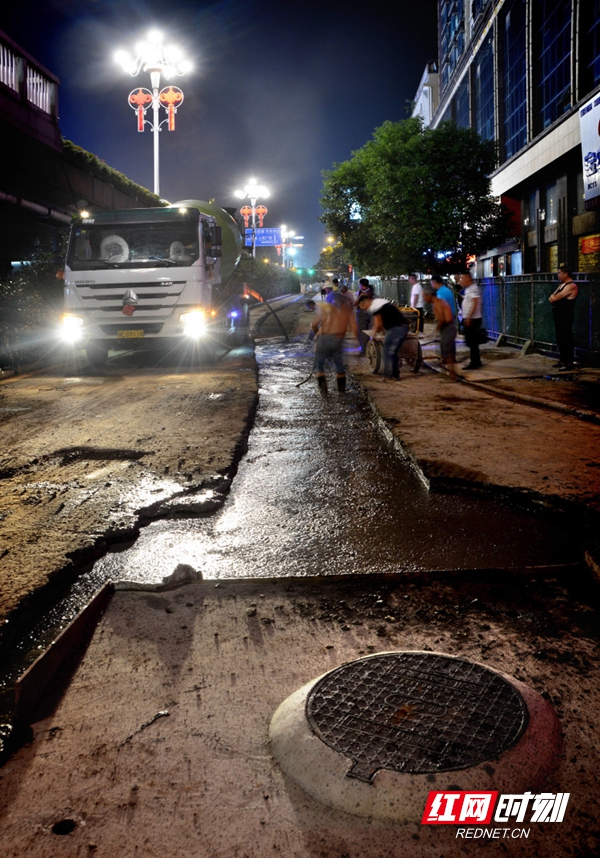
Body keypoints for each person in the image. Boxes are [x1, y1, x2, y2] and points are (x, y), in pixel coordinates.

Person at [307, 291, 358, 395]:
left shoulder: (325, 309)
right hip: (338, 339)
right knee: (339, 366)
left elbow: (314, 324)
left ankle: (324, 393)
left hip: (324, 338)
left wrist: (318, 334)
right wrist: (356, 340)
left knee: (320, 365)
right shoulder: (347, 310)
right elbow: (354, 327)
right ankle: (341, 392)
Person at [357, 295, 409, 381]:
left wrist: (372, 334)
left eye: (363, 307)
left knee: (387, 351)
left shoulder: (374, 306)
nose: (364, 309)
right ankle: (395, 375)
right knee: (393, 352)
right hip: (402, 327)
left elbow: (378, 324)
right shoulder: (380, 302)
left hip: (396, 329)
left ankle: (387, 376)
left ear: (366, 302)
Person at [422, 285, 457, 381]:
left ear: (429, 295)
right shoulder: (438, 303)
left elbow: (446, 319)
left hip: (448, 329)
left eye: (424, 296)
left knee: (448, 353)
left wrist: (436, 329)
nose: (424, 299)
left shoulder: (438, 304)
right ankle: (449, 374)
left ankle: (452, 376)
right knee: (446, 353)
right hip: (448, 328)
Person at [549, 266, 578, 370]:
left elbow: (555, 297)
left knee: (566, 338)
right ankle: (562, 360)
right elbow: (551, 298)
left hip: (566, 315)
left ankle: (568, 362)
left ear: (566, 273)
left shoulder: (571, 286)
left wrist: (554, 297)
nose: (558, 275)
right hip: (559, 315)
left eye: (559, 273)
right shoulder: (563, 285)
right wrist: (554, 297)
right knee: (560, 338)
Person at [457, 269, 483, 370]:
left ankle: (475, 362)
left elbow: (475, 302)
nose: (461, 280)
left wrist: (469, 317)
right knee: (471, 341)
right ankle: (476, 361)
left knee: (472, 342)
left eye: (462, 278)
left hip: (473, 319)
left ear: (468, 278)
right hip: (470, 318)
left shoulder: (473, 288)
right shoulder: (469, 289)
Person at [354, 278, 374, 355]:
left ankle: (364, 350)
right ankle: (367, 348)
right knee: (367, 331)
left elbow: (355, 304)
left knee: (362, 332)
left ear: (361, 285)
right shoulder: (370, 291)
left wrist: (360, 297)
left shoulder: (364, 293)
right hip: (369, 313)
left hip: (363, 313)